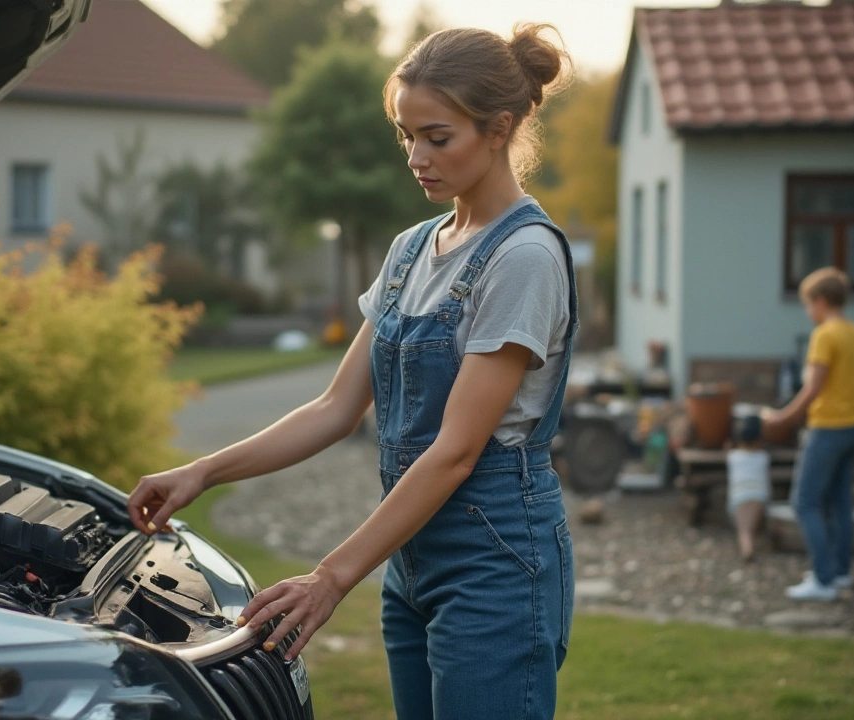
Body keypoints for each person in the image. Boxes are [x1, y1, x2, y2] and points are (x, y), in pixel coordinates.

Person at [126, 24, 576, 720]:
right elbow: (335, 407)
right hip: (411, 555)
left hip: (497, 561)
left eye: (437, 136)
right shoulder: (411, 249)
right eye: (405, 136)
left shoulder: (524, 258)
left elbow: (455, 454)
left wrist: (331, 577)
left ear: (499, 129)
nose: (415, 157)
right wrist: (201, 472)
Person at [764, 267, 854, 601]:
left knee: (806, 501)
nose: (809, 312)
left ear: (821, 302)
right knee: (840, 502)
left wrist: (782, 418)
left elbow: (813, 387)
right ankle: (840, 574)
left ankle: (822, 581)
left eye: (809, 305)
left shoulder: (825, 335)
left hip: (829, 428)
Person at [727, 414, 770, 562]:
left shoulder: (733, 456)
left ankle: (747, 549)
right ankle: (751, 545)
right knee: (752, 525)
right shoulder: (763, 456)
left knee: (743, 529)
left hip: (740, 494)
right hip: (759, 494)